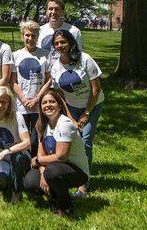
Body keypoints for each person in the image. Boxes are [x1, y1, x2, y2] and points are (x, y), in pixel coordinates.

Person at [50, 29, 103, 197]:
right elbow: (59, 96)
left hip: (92, 105)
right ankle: (71, 174)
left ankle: (83, 184)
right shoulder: (56, 67)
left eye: (63, 42)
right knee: (73, 141)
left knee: (86, 140)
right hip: (71, 108)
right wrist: (71, 117)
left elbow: (96, 89)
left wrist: (87, 113)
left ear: (71, 43)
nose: (60, 45)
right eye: (57, 43)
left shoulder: (85, 59)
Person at [23, 90, 89, 216]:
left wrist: (37, 161)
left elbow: (61, 157)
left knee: (52, 171)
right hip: (54, 168)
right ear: (41, 108)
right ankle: (55, 196)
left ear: (59, 105)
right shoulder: (42, 125)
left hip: (77, 171)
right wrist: (42, 175)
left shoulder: (64, 124)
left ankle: (66, 206)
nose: (48, 105)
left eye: (52, 101)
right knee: (31, 181)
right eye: (44, 103)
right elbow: (42, 155)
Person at [0, 86, 31, 203]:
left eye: (4, 102)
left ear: (9, 104)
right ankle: (13, 177)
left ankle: (16, 191)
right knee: (0, 178)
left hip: (19, 156)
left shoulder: (17, 116)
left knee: (17, 157)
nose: (1, 105)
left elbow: (27, 143)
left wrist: (6, 151)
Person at [11, 20, 51, 156]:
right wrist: (23, 99)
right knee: (21, 140)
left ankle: (35, 166)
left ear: (37, 36)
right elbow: (13, 81)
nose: (30, 38)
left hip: (38, 105)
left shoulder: (45, 55)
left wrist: (37, 99)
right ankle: (21, 169)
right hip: (21, 106)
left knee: (36, 140)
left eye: (33, 36)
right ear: (22, 36)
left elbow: (49, 79)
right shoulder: (15, 55)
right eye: (27, 35)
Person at [37, 0, 83, 64]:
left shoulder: (74, 31)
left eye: (57, 9)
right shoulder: (39, 31)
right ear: (46, 12)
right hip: (45, 72)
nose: (53, 12)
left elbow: (79, 55)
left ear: (62, 12)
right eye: (50, 9)